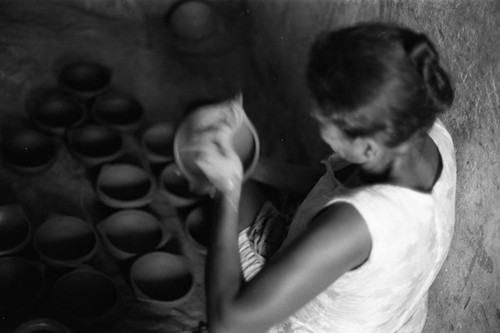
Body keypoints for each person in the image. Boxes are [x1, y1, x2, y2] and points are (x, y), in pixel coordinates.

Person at [192, 22, 456, 333]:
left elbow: (228, 324)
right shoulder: (422, 133)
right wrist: (249, 165)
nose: (315, 118)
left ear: (367, 148)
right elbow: (330, 182)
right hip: (385, 312)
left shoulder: (352, 225)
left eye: (324, 122)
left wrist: (228, 187)